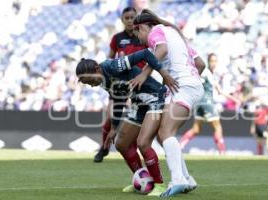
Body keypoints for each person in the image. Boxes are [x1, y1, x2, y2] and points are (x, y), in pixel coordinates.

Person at [76, 49, 176, 196]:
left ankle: (160, 185)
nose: (91, 85)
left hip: (155, 98)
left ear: (97, 69)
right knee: (121, 143)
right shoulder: (103, 81)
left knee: (143, 143)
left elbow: (145, 54)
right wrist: (114, 128)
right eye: (88, 84)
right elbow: (118, 100)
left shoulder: (113, 66)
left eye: (90, 81)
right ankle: (143, 179)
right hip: (139, 103)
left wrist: (159, 74)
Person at [131, 11, 204, 197]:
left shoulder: (156, 32)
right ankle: (187, 179)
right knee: (164, 136)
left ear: (142, 27)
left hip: (183, 86)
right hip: (188, 86)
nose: (139, 39)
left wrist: (144, 74)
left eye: (137, 33)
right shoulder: (176, 35)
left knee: (165, 133)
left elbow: (161, 51)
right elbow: (201, 64)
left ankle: (178, 180)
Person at [94, 7, 147, 163]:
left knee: (140, 117)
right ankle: (104, 148)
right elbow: (109, 60)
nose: (130, 20)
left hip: (140, 82)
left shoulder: (143, 36)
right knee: (111, 115)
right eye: (127, 18)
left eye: (132, 17)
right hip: (121, 82)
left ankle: (136, 149)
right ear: (122, 20)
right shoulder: (117, 38)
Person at [180, 53, 241, 154]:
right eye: (212, 61)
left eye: (215, 61)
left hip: (199, 104)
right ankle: (222, 152)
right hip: (206, 102)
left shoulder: (210, 74)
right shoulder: (205, 72)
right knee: (218, 127)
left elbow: (220, 91)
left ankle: (180, 145)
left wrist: (234, 99)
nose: (214, 63)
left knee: (196, 129)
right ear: (208, 62)